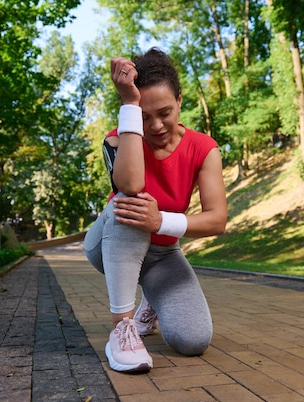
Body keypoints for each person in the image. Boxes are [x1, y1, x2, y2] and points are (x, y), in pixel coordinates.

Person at [83, 48, 227, 373]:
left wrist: (160, 221)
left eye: (164, 112)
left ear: (179, 99)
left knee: (193, 340)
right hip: (111, 242)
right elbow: (131, 184)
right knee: (132, 203)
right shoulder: (121, 138)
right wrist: (128, 105)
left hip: (162, 255)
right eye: (145, 116)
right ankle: (121, 328)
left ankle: (152, 301)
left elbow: (217, 220)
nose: (156, 125)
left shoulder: (204, 148)